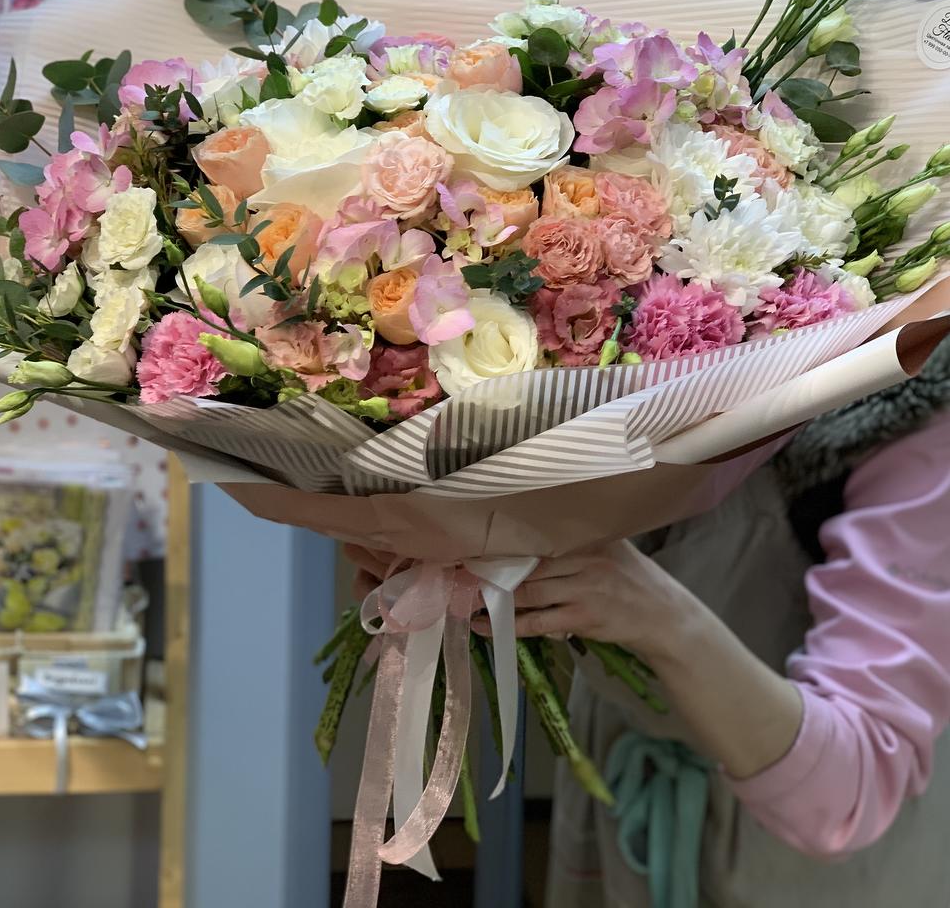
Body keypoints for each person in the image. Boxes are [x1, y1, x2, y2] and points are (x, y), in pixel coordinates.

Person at [349, 336, 950, 908]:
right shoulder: (671, 331)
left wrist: (656, 615)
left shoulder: (914, 416)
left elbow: (850, 791)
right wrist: (452, 561)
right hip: (619, 786)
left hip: (799, 857)